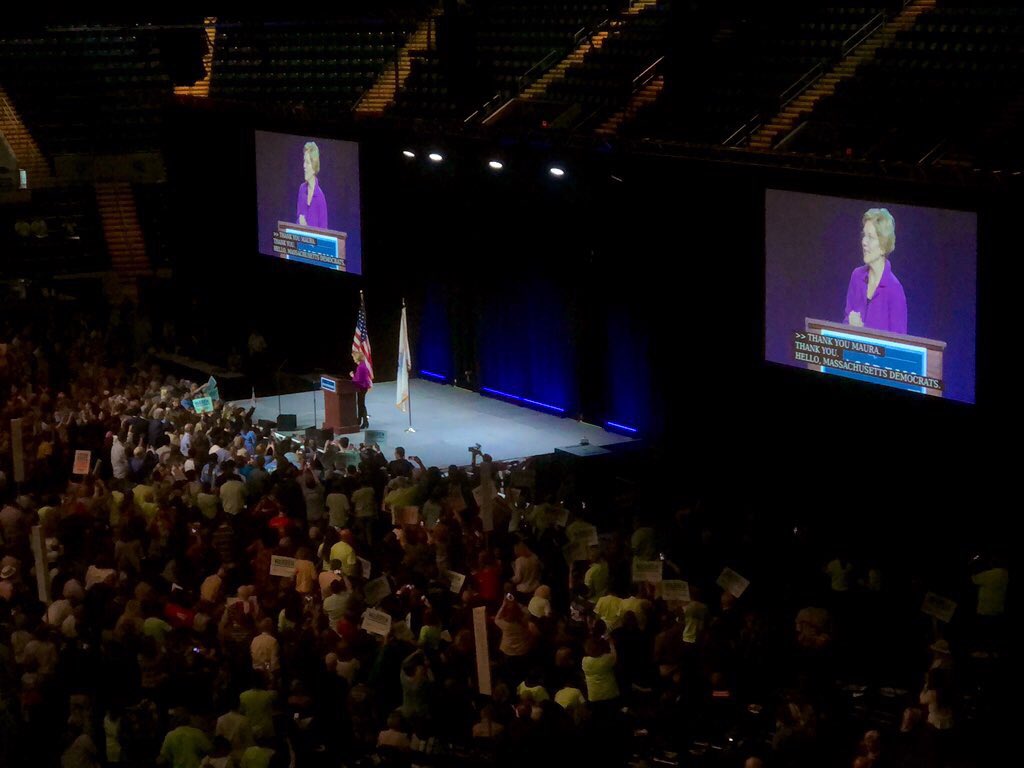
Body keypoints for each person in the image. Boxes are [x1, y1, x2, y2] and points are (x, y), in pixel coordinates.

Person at [843, 208, 907, 334]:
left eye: (870, 237)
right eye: (864, 236)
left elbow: (898, 346)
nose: (864, 242)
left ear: (883, 246)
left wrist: (861, 330)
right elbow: (846, 321)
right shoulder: (857, 276)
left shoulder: (894, 290)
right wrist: (850, 326)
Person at [296, 141, 328, 230]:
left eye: (307, 162)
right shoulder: (302, 189)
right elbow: (298, 217)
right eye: (304, 161)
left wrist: (306, 227)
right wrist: (299, 221)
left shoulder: (320, 197)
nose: (304, 166)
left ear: (314, 167)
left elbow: (324, 232)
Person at [350, 351, 371, 429]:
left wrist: (352, 375)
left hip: (362, 387)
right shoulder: (362, 365)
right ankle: (364, 422)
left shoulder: (361, 367)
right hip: (363, 387)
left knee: (361, 405)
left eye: (353, 357)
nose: (353, 359)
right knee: (361, 405)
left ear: (356, 357)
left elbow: (358, 380)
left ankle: (362, 421)